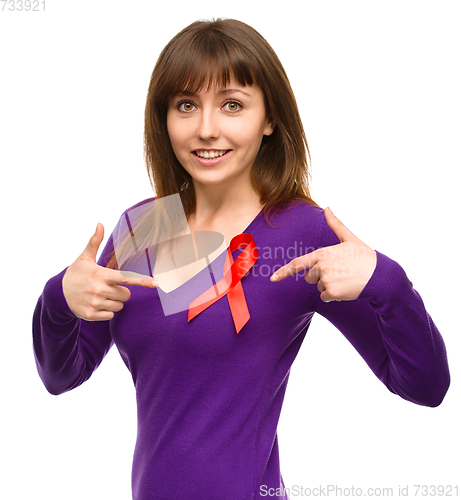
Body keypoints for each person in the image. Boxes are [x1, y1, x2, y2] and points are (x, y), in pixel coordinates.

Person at [33, 18, 450, 500]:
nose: (206, 129)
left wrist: (386, 281)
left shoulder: (301, 231)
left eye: (232, 105)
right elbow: (63, 375)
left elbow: (425, 385)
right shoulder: (144, 227)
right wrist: (59, 297)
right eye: (186, 105)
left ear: (269, 119)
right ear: (163, 118)